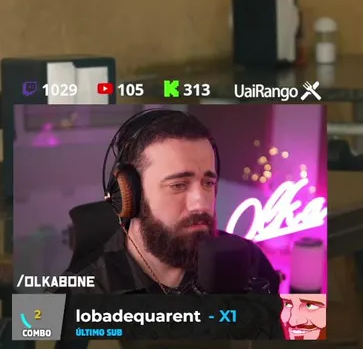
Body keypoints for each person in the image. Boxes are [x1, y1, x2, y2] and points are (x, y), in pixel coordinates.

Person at [58, 110, 281, 301]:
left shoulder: (250, 264)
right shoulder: (75, 294)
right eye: (178, 185)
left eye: (208, 183)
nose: (201, 203)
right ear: (129, 195)